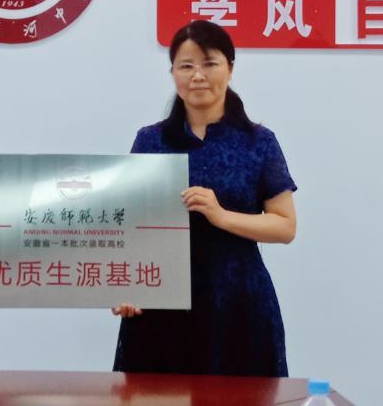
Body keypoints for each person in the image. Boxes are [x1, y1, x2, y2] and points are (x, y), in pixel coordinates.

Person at [112, 20, 297, 376]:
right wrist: (127, 285)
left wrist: (220, 215)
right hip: (160, 304)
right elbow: (129, 225)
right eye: (186, 66)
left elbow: (285, 226)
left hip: (238, 302)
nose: (197, 76)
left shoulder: (259, 141)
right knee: (154, 396)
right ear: (172, 74)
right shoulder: (150, 140)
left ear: (230, 68)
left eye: (209, 63)